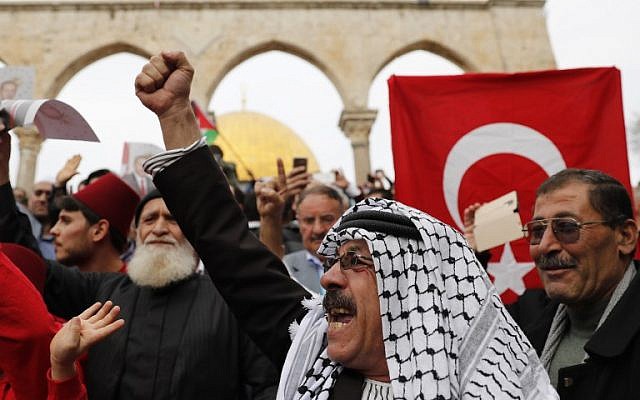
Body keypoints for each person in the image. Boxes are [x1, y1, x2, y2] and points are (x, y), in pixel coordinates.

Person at [136, 50, 557, 399]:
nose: (328, 279)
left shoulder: (492, 382)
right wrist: (176, 116)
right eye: (334, 261)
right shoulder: (312, 351)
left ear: (407, 287)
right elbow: (229, 248)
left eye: (355, 261)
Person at [0, 136, 278, 398]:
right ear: (136, 232)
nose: (159, 228)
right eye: (149, 219)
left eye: (173, 219)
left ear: (194, 233)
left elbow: (266, 385)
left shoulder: (230, 301)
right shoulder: (103, 289)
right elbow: (24, 260)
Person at [520, 168, 640, 399]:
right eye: (537, 230)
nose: (545, 246)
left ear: (625, 236)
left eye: (567, 227)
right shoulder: (525, 323)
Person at [50, 172, 139, 272]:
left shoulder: (136, 287)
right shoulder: (65, 285)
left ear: (99, 231)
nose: (53, 230)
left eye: (66, 221)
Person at [282, 185, 346, 294]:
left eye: (327, 219)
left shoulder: (361, 267)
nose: (318, 230)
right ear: (299, 222)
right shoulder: (285, 268)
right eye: (309, 220)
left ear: (343, 219)